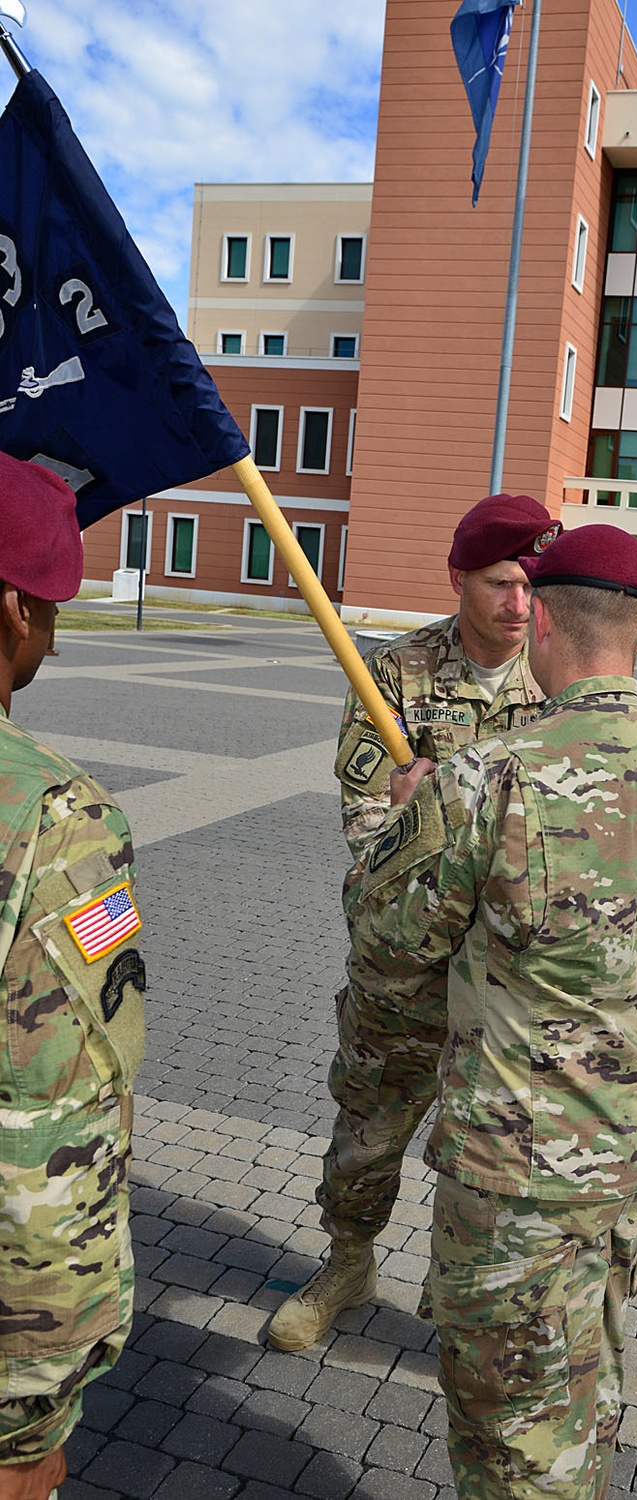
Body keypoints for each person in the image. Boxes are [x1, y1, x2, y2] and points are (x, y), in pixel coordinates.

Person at [347, 524, 637, 1499]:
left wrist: (407, 817)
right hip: (622, 1159)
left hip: (509, 1165)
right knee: (584, 1386)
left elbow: (393, 943)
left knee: (506, 1431)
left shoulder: (489, 777)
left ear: (546, 626)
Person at [267, 491, 561, 1352]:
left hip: (508, 979)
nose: (519, 605)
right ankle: (348, 1263)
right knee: (366, 1137)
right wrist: (410, 828)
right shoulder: (393, 677)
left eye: (531, 586)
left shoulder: (558, 678)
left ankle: (459, 1311)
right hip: (403, 972)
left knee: (491, 1160)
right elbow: (366, 843)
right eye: (502, 583)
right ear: (458, 578)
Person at [0, 454, 146, 1499]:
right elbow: (61, 1110)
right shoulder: (58, 818)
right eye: (50, 610)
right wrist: (39, 1391)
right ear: (14, 610)